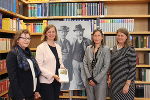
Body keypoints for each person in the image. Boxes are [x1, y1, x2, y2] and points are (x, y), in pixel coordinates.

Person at [6, 29, 41, 100]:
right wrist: (20, 97)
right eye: (24, 38)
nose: (27, 40)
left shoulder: (29, 53)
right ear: (17, 40)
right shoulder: (12, 54)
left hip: (30, 93)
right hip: (20, 95)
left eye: (28, 38)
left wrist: (36, 90)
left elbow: (34, 73)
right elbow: (13, 79)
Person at [36, 24, 65, 100]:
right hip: (46, 81)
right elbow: (38, 66)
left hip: (57, 80)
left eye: (53, 32)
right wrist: (52, 75)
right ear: (45, 34)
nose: (51, 34)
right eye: (49, 32)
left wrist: (63, 69)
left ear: (55, 33)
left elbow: (59, 62)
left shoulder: (58, 47)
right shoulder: (41, 47)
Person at [107, 28, 136, 100]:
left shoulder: (130, 49)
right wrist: (110, 77)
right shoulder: (114, 49)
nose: (120, 37)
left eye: (122, 35)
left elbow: (132, 68)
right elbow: (112, 64)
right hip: (115, 82)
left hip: (126, 83)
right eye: (118, 35)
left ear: (126, 37)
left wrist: (127, 84)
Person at [82, 29, 110, 100]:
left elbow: (106, 66)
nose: (96, 38)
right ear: (92, 37)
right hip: (89, 81)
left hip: (100, 82)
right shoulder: (88, 48)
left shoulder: (106, 49)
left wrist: (95, 80)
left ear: (102, 37)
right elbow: (84, 63)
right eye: (95, 36)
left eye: (98, 35)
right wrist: (89, 78)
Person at [70, 24, 91, 89]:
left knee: (85, 79)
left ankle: (87, 93)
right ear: (75, 32)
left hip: (83, 63)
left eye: (80, 31)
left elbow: (91, 53)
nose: (79, 33)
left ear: (82, 32)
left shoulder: (87, 41)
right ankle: (80, 92)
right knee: (77, 79)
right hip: (75, 62)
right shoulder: (73, 41)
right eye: (77, 31)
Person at [57, 25, 72, 90]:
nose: (63, 33)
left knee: (67, 85)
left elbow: (70, 55)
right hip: (60, 67)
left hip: (68, 66)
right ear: (60, 33)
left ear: (66, 33)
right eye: (62, 32)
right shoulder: (56, 43)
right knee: (61, 86)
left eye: (65, 32)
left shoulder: (68, 42)